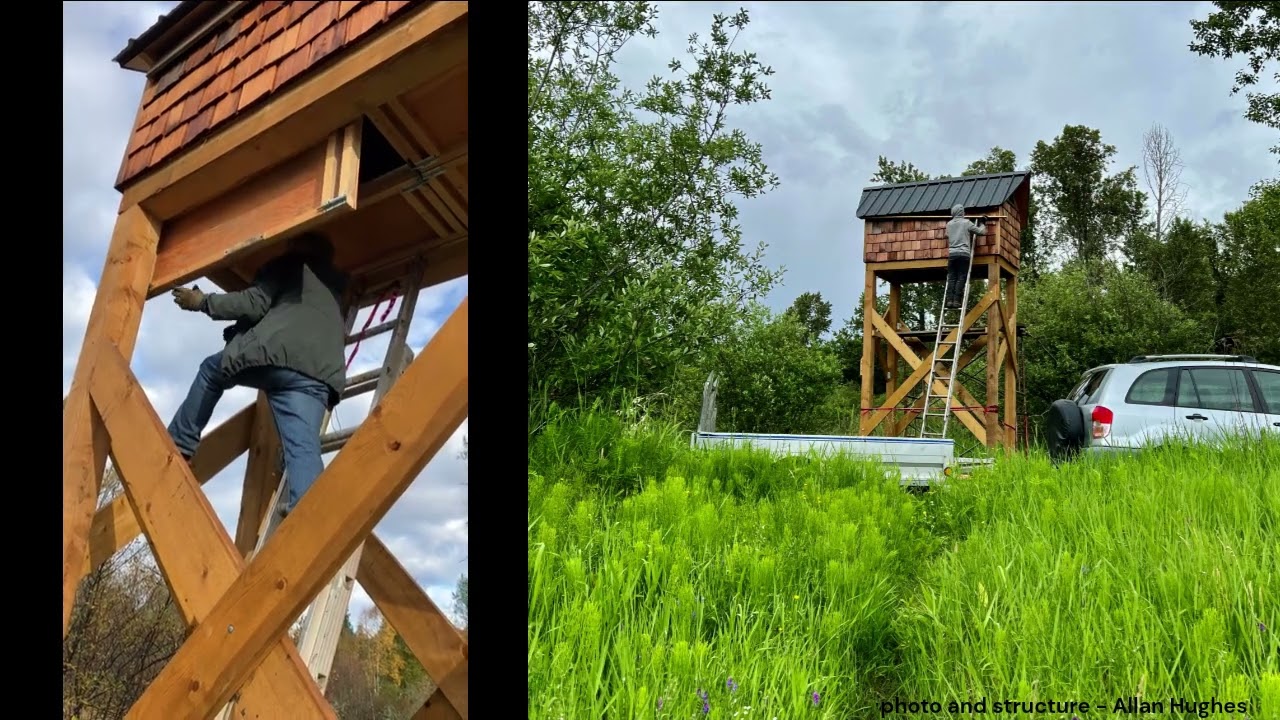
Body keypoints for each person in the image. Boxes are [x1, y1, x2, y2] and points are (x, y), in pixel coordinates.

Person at [168, 232, 349, 517]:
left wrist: (202, 301)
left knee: (210, 371)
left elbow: (253, 303)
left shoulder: (290, 264)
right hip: (319, 378)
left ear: (297, 245)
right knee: (303, 447)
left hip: (277, 355)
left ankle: (179, 447)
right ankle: (308, 517)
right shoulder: (335, 291)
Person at [943, 204, 988, 310]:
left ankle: (950, 301)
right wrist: (983, 223)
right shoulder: (967, 223)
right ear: (962, 212)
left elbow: (947, 235)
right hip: (964, 254)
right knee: (961, 277)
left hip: (952, 254)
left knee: (952, 278)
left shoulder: (949, 224)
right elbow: (982, 232)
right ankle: (957, 301)